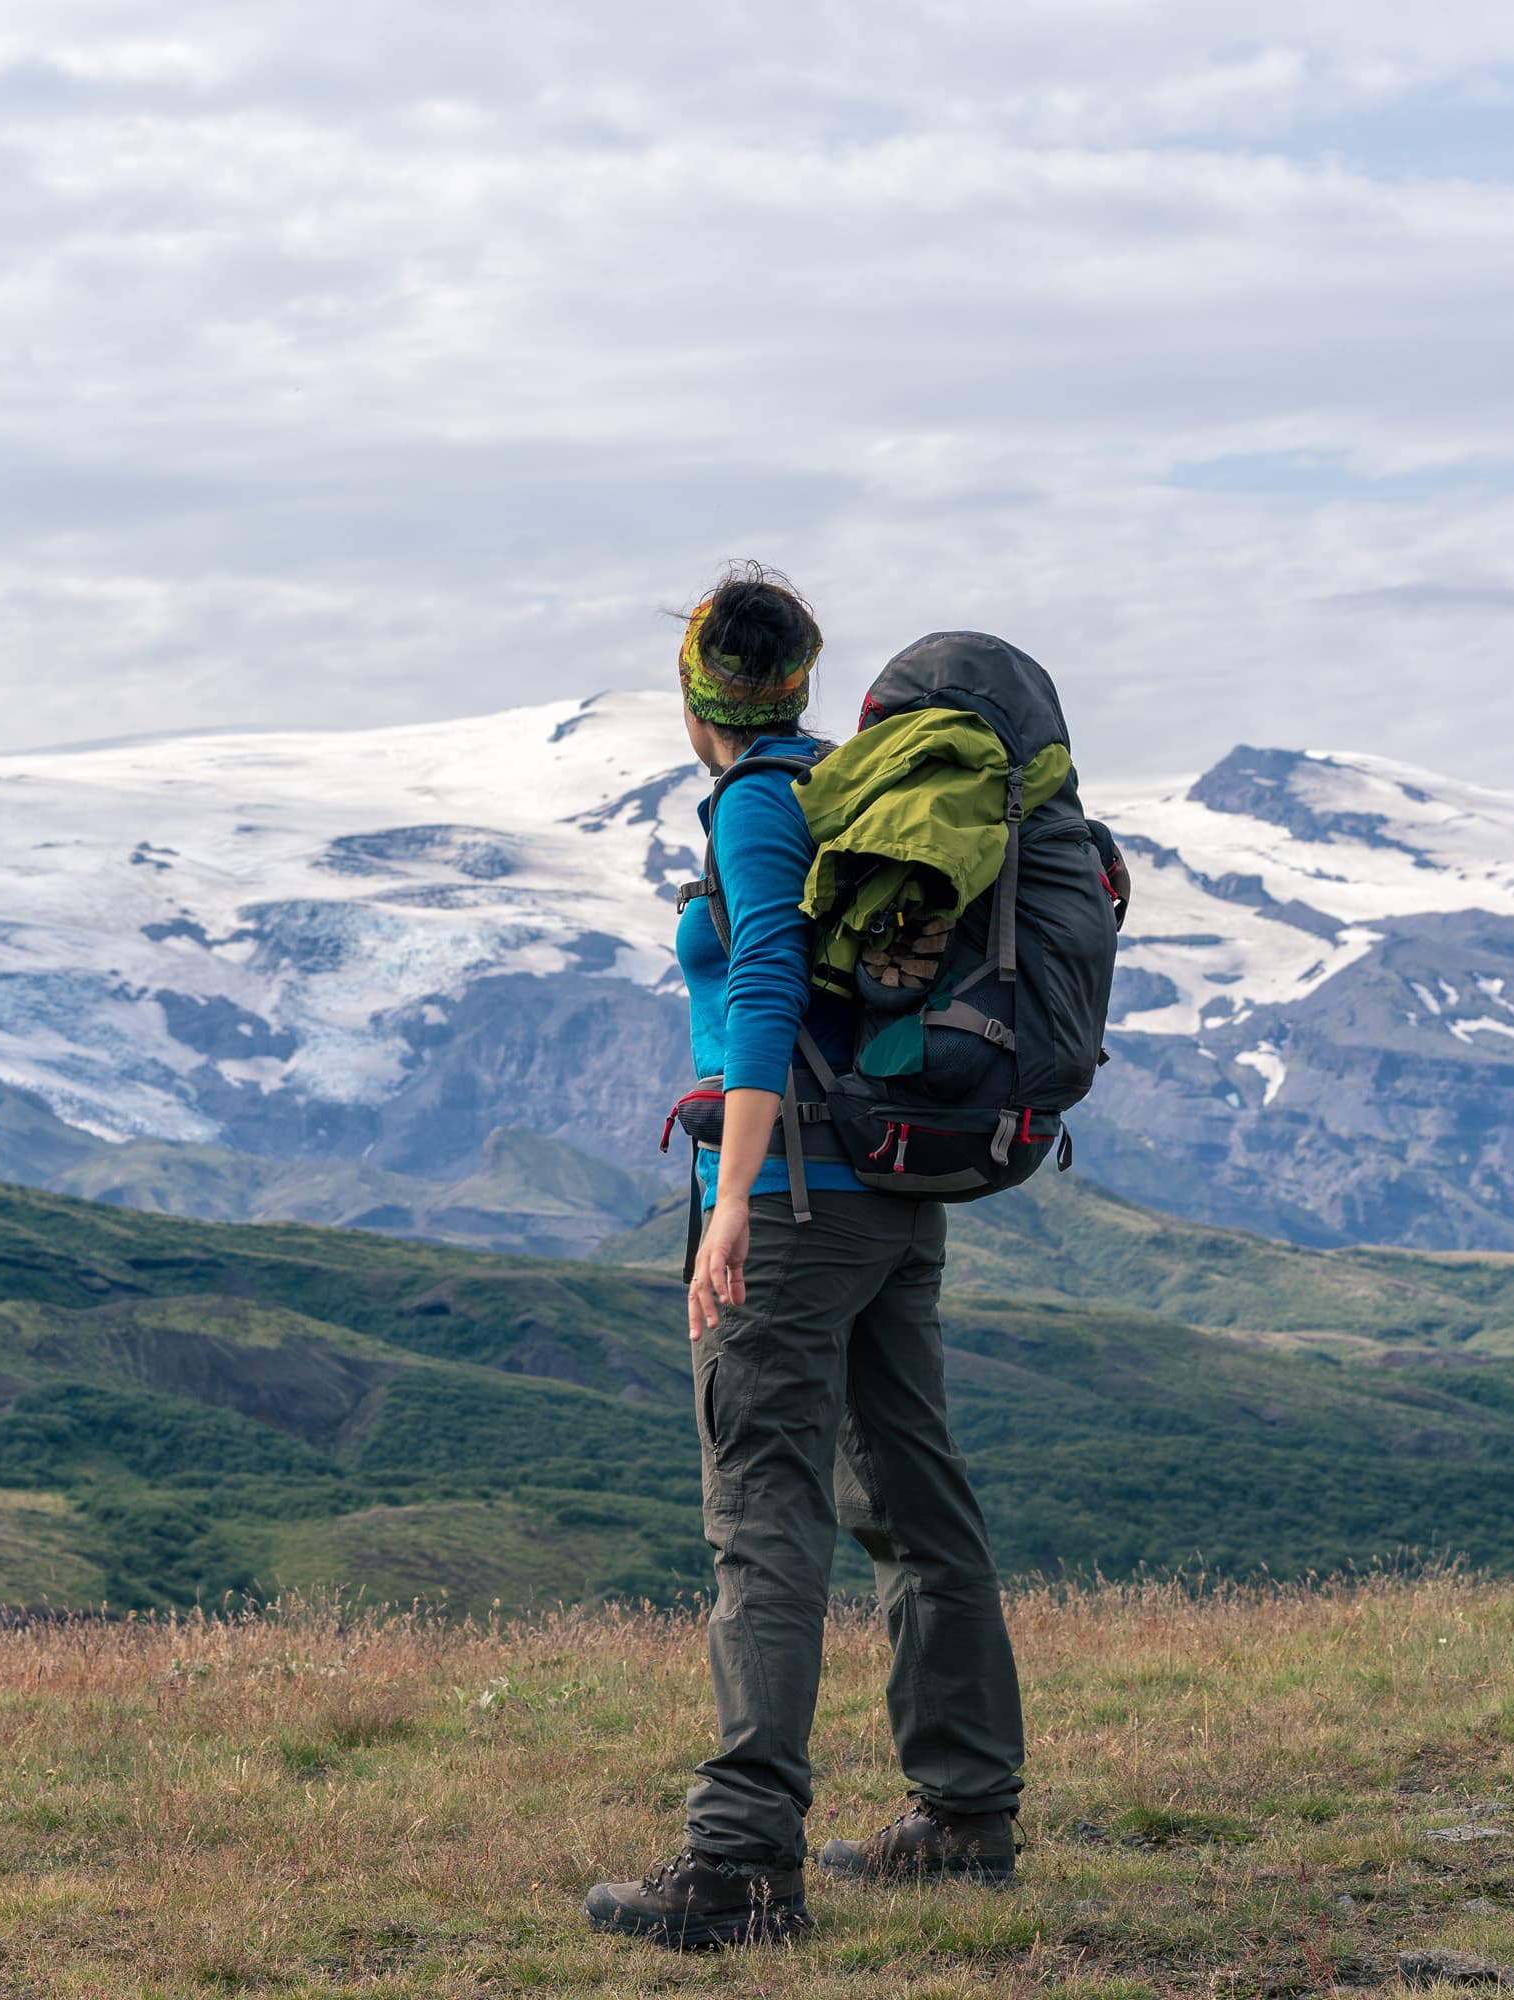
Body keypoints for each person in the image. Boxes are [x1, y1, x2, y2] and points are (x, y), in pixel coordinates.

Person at [584, 564, 1028, 1951]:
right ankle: (964, 1818)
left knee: (765, 1513)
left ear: (695, 694)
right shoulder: (847, 794)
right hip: (890, 1197)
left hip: (787, 1204)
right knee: (910, 1489)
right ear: (801, 683)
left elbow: (767, 975)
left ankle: (739, 1863)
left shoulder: (761, 809)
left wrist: (731, 1202)